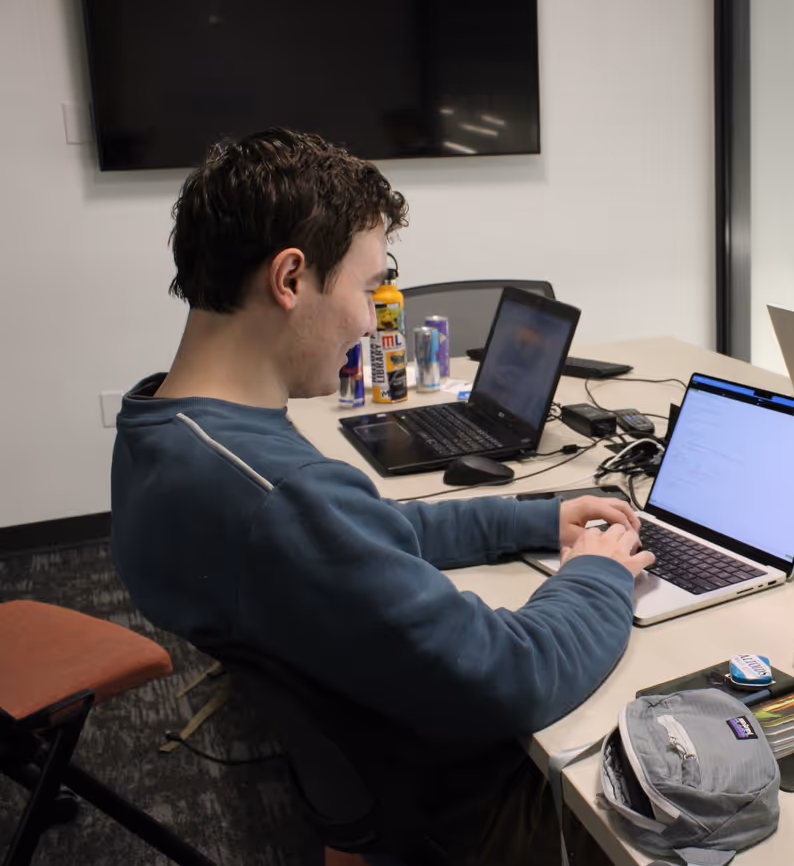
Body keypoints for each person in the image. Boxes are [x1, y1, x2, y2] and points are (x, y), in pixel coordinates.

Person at [110, 128, 653, 863]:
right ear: (290, 278)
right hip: (461, 806)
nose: (371, 320)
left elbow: (361, 531)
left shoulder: (164, 428)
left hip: (368, 770)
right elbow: (514, 674)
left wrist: (534, 517)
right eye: (368, 289)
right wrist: (598, 575)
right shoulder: (278, 496)